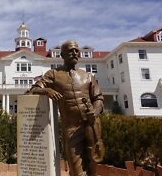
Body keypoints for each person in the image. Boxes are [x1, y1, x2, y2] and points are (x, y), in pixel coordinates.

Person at [27, 40, 105, 176]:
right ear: (62, 55)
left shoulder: (87, 76)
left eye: (76, 50)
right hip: (71, 127)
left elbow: (98, 98)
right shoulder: (54, 74)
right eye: (70, 51)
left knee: (94, 161)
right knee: (76, 170)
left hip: (92, 125)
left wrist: (95, 111)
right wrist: (47, 91)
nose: (74, 53)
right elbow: (33, 89)